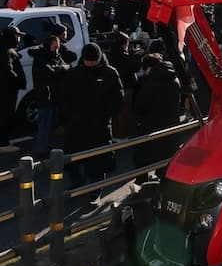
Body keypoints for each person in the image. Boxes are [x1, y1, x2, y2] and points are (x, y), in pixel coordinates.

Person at [61, 42, 124, 190]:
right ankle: (77, 180)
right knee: (71, 158)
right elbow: (64, 96)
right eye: (87, 60)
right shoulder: (74, 73)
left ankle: (96, 189)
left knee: (99, 160)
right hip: (77, 124)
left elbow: (118, 98)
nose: (90, 63)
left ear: (99, 58)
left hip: (100, 125)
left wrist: (105, 114)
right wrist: (70, 114)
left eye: (93, 61)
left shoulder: (110, 73)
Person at [131, 53, 182, 183]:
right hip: (171, 123)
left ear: (149, 67)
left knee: (144, 155)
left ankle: (142, 181)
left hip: (151, 125)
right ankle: (163, 177)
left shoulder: (151, 83)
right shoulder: (174, 77)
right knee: (167, 154)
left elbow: (140, 105)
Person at [0, 26, 27, 154]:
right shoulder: (7, 50)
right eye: (17, 36)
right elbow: (7, 69)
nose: (19, 38)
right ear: (12, 36)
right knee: (7, 114)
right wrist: (17, 80)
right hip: (8, 87)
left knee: (2, 113)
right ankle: (3, 144)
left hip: (1, 85)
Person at [30, 33, 70, 158]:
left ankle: (46, 146)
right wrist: (63, 68)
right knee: (44, 123)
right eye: (55, 47)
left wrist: (62, 68)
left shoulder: (55, 56)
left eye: (58, 47)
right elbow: (51, 71)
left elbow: (64, 66)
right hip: (45, 95)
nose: (57, 49)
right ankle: (42, 149)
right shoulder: (41, 58)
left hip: (55, 95)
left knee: (51, 123)